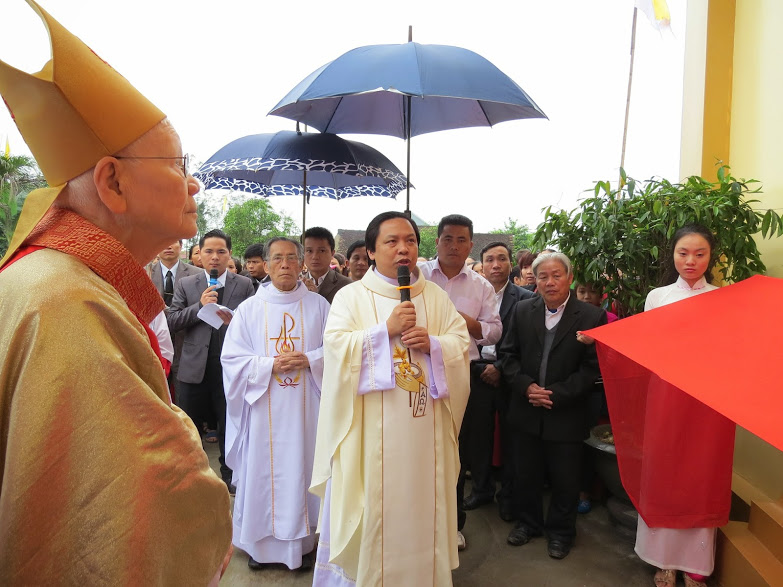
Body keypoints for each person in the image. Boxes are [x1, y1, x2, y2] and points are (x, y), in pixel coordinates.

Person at [0, 2, 231, 582]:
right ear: (113, 182)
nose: (194, 182)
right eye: (180, 163)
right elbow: (148, 493)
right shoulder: (67, 301)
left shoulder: (56, 278)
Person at [311, 211, 470, 586]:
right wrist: (385, 332)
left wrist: (433, 345)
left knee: (422, 506)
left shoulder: (435, 297)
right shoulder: (351, 297)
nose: (403, 249)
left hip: (424, 434)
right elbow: (335, 351)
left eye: (410, 241)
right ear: (371, 249)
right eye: (392, 242)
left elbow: (461, 346)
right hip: (369, 433)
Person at [222, 237, 330, 571]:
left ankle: (305, 543)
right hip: (263, 404)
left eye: (291, 258)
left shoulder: (319, 307)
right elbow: (232, 359)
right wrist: (269, 365)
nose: (285, 264)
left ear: (301, 264)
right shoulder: (249, 310)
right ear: (266, 266)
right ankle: (262, 548)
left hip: (306, 410)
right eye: (277, 259)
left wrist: (310, 360)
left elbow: (338, 352)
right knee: (263, 473)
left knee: (305, 467)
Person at [499, 252, 606, 560]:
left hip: (567, 411)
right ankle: (528, 523)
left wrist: (556, 394)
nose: (550, 282)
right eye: (543, 276)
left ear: (569, 278)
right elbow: (508, 355)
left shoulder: (590, 317)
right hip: (525, 407)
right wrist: (525, 387)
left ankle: (560, 532)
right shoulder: (522, 310)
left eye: (557, 275)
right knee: (526, 473)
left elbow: (591, 369)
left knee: (565, 478)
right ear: (535, 280)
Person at [634, 225, 724, 587]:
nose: (691, 261)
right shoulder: (657, 297)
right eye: (683, 253)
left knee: (702, 473)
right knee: (664, 471)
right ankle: (663, 559)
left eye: (699, 253)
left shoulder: (723, 298)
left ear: (710, 256)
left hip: (708, 400)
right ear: (672, 255)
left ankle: (696, 564)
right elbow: (645, 347)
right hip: (666, 396)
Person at [419, 214, 502, 551]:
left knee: (455, 452)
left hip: (460, 374)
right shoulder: (417, 276)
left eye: (461, 240)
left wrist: (468, 322)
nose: (454, 246)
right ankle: (416, 520)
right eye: (447, 239)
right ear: (437, 241)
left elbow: (494, 331)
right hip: (417, 374)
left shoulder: (480, 286)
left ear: (471, 245)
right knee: (419, 449)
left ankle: (453, 525)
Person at [168, 229, 256, 493]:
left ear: (229, 254)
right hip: (193, 365)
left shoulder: (244, 284)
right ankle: (192, 475)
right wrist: (200, 307)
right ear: (200, 254)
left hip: (229, 367)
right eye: (208, 251)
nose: (215, 257)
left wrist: (237, 320)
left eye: (221, 252)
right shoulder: (186, 284)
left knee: (229, 422)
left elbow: (253, 322)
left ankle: (229, 473)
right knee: (190, 425)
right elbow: (172, 321)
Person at [470, 241, 535, 522]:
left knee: (511, 440)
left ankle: (507, 496)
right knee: (478, 437)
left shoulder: (526, 298)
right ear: (482, 265)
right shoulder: (473, 294)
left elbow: (526, 342)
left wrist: (499, 366)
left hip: (509, 375)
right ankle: (481, 489)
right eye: (490, 260)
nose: (496, 265)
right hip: (475, 372)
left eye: (502, 259)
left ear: (512, 264)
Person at [302, 226, 351, 303]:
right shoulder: (297, 285)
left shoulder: (347, 285)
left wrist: (316, 298)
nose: (315, 257)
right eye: (309, 251)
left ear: (332, 253)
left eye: (321, 251)